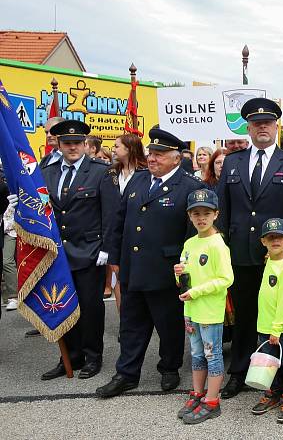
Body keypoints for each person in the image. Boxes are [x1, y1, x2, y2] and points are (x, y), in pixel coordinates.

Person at [96, 127, 205, 398]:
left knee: (168, 325)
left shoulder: (190, 187)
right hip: (132, 267)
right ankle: (126, 373)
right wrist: (116, 259)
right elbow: (119, 220)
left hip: (166, 270)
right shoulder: (138, 181)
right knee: (131, 324)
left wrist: (187, 269)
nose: (152, 158)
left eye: (159, 154)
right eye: (151, 153)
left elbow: (195, 234)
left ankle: (169, 368)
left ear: (176, 158)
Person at [216, 97, 283, 399]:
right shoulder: (232, 161)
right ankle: (240, 372)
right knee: (244, 316)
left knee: (275, 316)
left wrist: (280, 247)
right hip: (240, 252)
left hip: (276, 257)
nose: (262, 127)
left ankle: (276, 376)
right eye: (256, 123)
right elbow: (224, 210)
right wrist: (225, 247)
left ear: (276, 125)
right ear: (249, 127)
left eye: (267, 122)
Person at [40, 120, 110, 381]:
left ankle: (93, 356)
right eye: (67, 143)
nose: (72, 148)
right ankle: (70, 356)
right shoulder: (47, 170)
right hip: (57, 252)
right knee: (61, 304)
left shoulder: (101, 171)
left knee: (90, 307)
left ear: (85, 144)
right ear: (58, 144)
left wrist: (106, 248)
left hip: (90, 250)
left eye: (77, 143)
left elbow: (110, 212)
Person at [174, 188, 234, 425]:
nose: (201, 218)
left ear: (216, 214)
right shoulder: (189, 243)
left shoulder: (218, 244)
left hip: (209, 310)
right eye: (196, 213)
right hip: (191, 310)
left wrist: (196, 292)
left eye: (206, 213)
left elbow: (226, 279)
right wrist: (178, 275)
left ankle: (212, 400)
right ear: (189, 216)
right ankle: (198, 393)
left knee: (213, 355)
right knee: (197, 353)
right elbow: (185, 277)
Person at [250, 218, 283, 423]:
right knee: (268, 362)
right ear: (263, 242)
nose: (275, 240)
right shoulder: (270, 260)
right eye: (270, 237)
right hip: (265, 324)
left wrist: (277, 329)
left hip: (282, 328)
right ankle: (273, 392)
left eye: (280, 237)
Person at [100, 133, 148, 309]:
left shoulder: (146, 172)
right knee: (118, 278)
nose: (113, 149)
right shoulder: (110, 172)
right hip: (114, 232)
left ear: (129, 149)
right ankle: (124, 322)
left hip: (136, 232)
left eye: (117, 146)